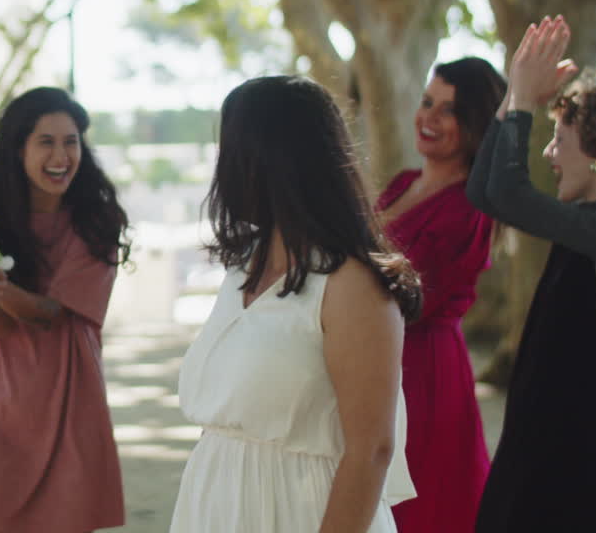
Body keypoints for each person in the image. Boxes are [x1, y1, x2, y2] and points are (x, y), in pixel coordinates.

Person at [169, 75, 421, 533]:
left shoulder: (352, 285)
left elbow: (371, 449)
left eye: (232, 149)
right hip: (216, 505)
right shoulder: (243, 264)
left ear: (270, 160)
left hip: (301, 511)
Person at [467, 16, 596, 532]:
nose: (548, 153)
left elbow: (510, 195)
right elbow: (484, 193)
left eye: (560, 139)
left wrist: (522, 103)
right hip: (530, 448)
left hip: (573, 468)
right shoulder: (585, 224)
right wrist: (515, 95)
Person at [0, 86, 130, 533]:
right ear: (18, 150)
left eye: (71, 141)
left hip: (71, 401)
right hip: (2, 402)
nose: (61, 155)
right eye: (46, 141)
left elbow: (50, 315)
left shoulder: (97, 221)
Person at [376, 57, 504, 532]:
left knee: (424, 503)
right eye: (427, 102)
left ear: (473, 125)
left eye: (447, 111)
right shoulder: (401, 185)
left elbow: (414, 298)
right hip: (375, 355)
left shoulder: (470, 207)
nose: (427, 117)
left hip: (424, 369)